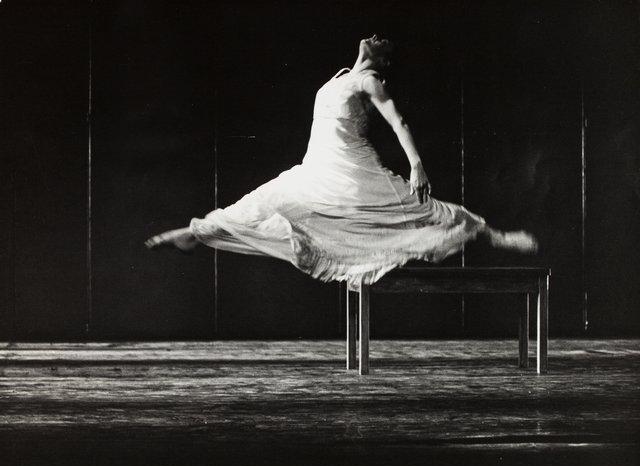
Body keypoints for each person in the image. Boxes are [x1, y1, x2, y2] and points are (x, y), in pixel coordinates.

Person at [145, 35, 537, 290]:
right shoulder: (339, 77)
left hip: (353, 170)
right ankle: (193, 233)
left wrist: (416, 164)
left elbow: (398, 122)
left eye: (383, 42)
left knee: (429, 212)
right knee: (258, 203)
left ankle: (494, 235)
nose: (376, 36)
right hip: (316, 169)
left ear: (382, 60)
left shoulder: (370, 82)